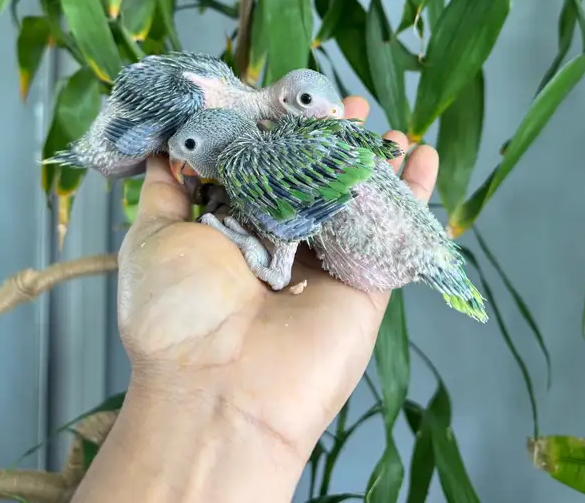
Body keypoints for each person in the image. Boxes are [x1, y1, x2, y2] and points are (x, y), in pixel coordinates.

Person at [71, 96, 439, 503]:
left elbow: (290, 223)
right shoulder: (244, 161)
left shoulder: (244, 166)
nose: (180, 167)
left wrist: (256, 243)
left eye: (188, 149)